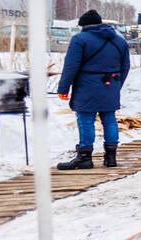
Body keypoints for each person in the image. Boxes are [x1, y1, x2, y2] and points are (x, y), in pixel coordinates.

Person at [56, 10, 131, 170]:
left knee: (85, 119)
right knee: (109, 119)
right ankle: (111, 157)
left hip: (87, 85)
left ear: (83, 25)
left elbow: (71, 65)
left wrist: (63, 87)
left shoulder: (79, 39)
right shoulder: (119, 40)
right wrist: (117, 85)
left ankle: (84, 157)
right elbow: (125, 66)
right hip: (111, 84)